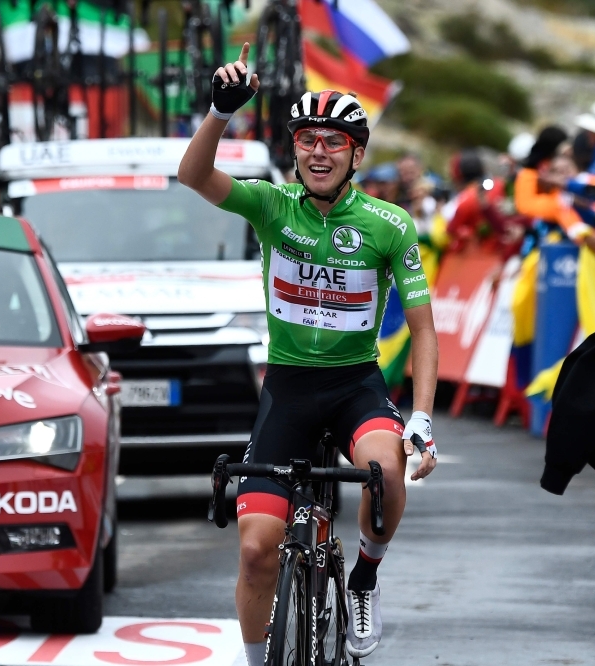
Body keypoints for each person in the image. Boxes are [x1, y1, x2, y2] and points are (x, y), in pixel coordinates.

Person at [177, 44, 439, 666]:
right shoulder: (270, 206)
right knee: (254, 550)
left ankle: (365, 578)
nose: (318, 151)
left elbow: (425, 331)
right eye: (307, 139)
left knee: (388, 470)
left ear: (356, 153)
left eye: (334, 141)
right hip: (288, 388)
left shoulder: (389, 224)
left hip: (356, 386)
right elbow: (193, 176)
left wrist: (423, 421)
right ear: (294, 150)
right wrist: (220, 112)